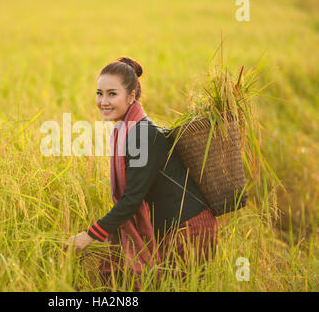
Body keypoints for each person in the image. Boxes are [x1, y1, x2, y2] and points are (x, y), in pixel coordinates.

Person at [65, 57, 218, 289]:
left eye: (112, 94)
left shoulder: (141, 135)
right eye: (99, 93)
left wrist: (89, 235)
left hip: (189, 231)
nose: (103, 101)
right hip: (171, 230)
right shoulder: (127, 131)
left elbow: (132, 199)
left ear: (132, 96)